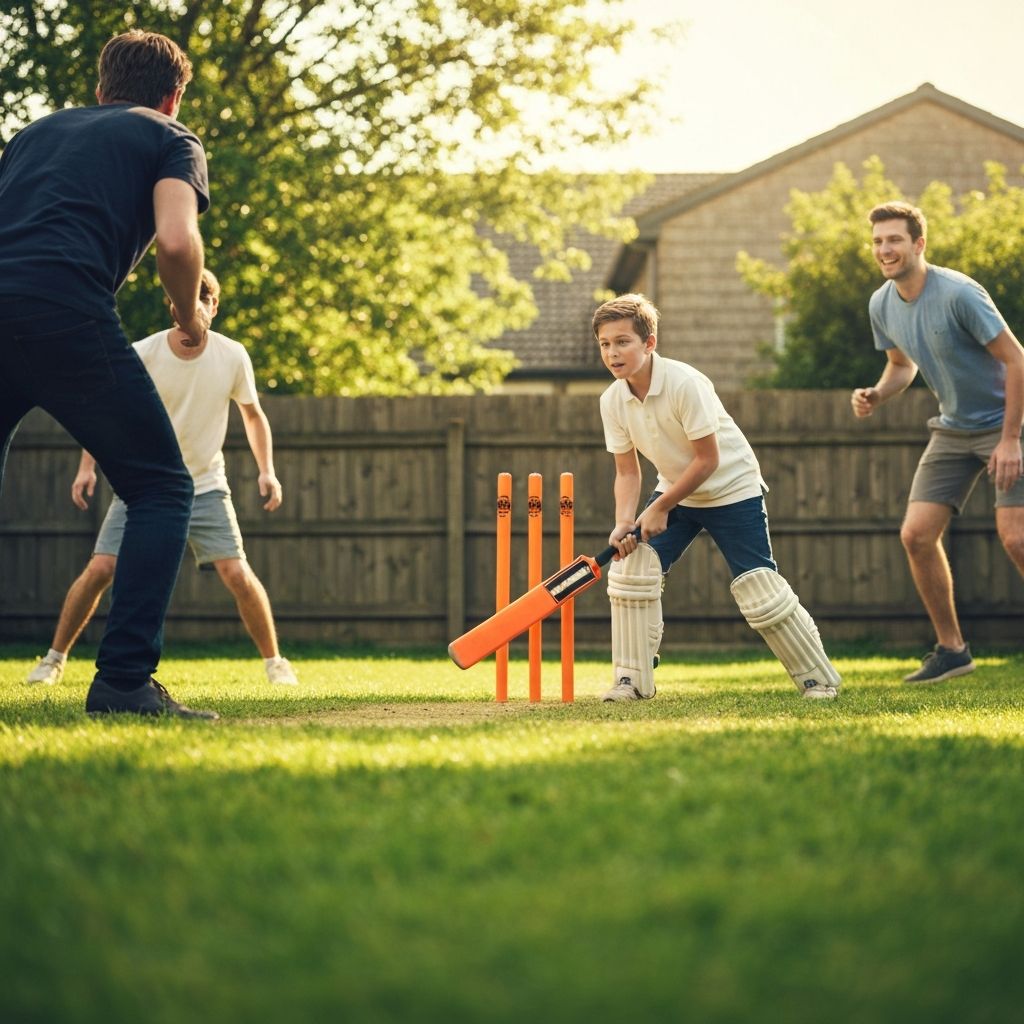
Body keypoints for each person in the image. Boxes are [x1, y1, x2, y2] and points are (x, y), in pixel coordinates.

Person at [0, 30, 217, 718]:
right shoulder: (170, 136)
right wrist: (190, 313)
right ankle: (124, 682)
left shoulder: (32, 135)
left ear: (101, 89)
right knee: (160, 487)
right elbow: (177, 241)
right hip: (64, 309)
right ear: (173, 96)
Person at [26, 270, 299, 690]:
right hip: (145, 486)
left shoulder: (232, 355)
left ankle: (276, 664)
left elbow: (252, 414)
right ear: (172, 306)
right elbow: (109, 414)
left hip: (205, 485)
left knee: (236, 572)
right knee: (101, 567)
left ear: (213, 307)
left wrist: (268, 471)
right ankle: (53, 660)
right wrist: (86, 468)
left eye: (199, 304)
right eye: (180, 304)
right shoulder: (144, 353)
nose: (189, 313)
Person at [593, 293, 841, 702]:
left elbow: (708, 460)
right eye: (605, 344)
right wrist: (624, 521)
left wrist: (661, 506)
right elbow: (627, 470)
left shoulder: (684, 383)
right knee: (632, 570)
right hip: (677, 487)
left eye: (623, 342)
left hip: (732, 488)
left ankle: (818, 680)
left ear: (649, 343)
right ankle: (632, 680)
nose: (612, 353)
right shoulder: (612, 400)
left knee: (760, 587)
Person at [852, 201, 1024, 683]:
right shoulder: (881, 303)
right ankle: (953, 650)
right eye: (878, 241)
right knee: (916, 535)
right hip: (953, 428)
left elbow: (1016, 360)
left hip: (1008, 424)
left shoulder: (959, 294)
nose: (884, 249)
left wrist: (1011, 439)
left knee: (1016, 537)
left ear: (919, 244)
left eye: (894, 239)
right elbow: (901, 364)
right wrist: (878, 394)